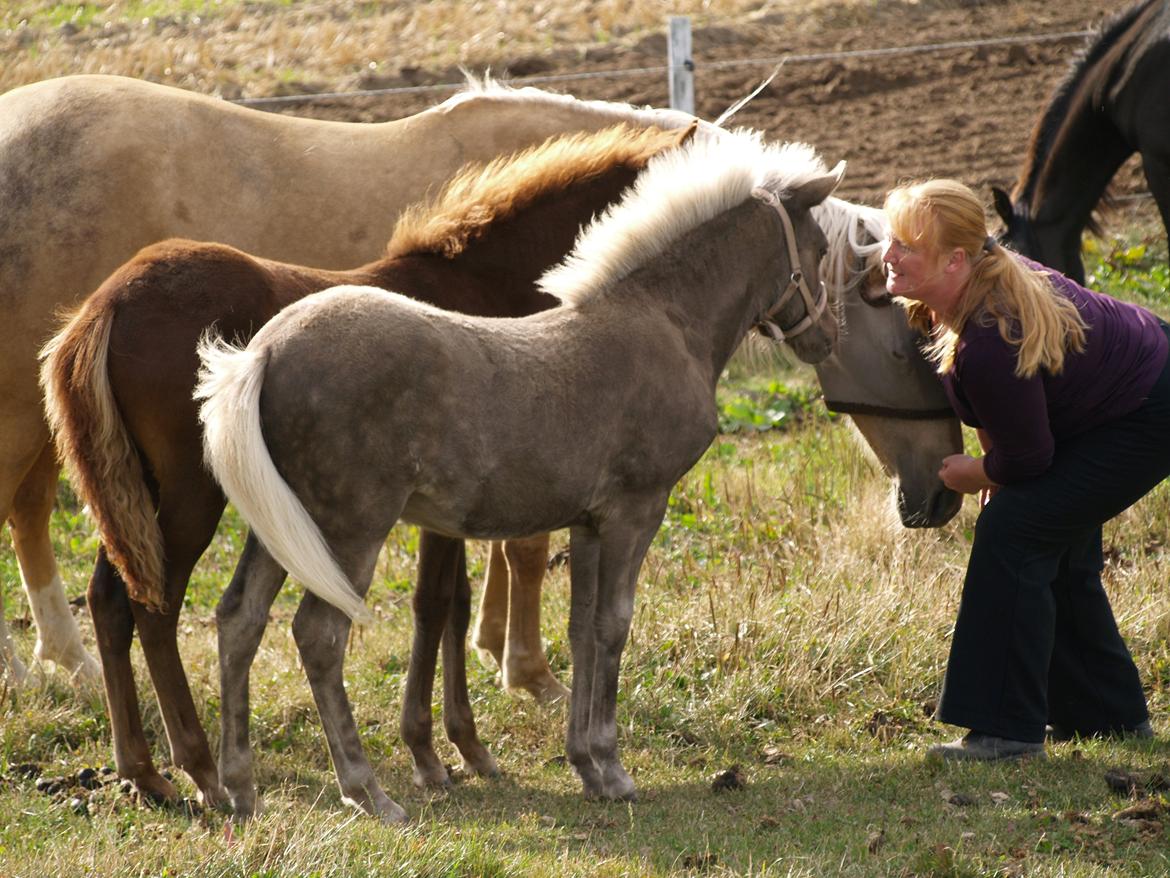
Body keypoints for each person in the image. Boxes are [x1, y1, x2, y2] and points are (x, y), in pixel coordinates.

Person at [881, 178, 1169, 761]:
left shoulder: (991, 331)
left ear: (957, 260)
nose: (889, 256)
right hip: (1124, 399)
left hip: (1147, 414)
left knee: (1015, 532)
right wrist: (999, 463)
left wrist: (977, 473)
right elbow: (1013, 411)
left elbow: (1031, 457)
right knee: (1047, 536)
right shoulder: (965, 293)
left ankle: (1005, 732)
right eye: (892, 241)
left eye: (907, 246)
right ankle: (1105, 718)